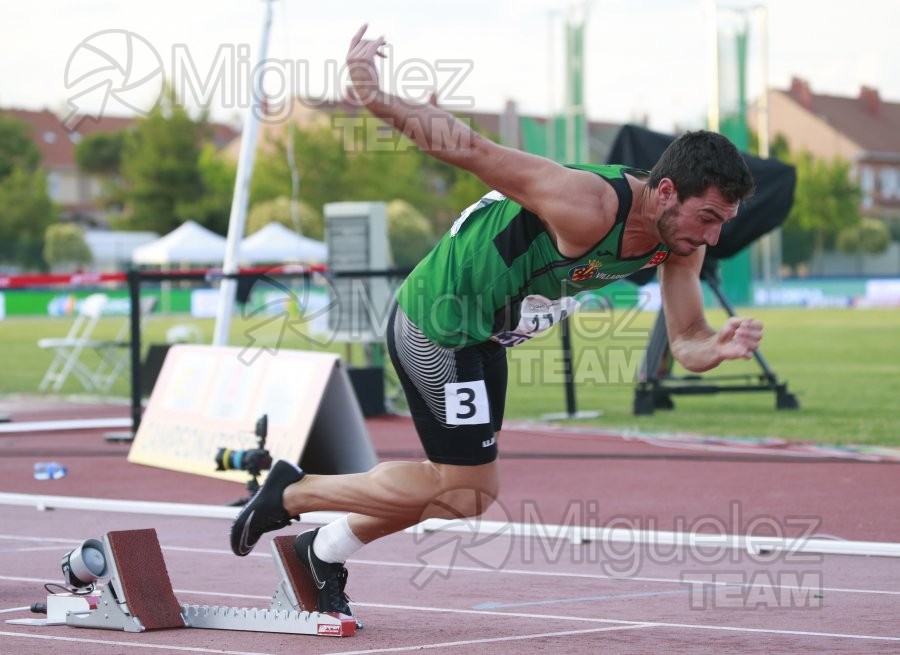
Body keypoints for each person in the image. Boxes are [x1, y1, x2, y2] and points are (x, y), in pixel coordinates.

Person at [229, 24, 762, 616]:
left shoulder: (682, 241)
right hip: (437, 321)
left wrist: (713, 347)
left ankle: (322, 549)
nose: (712, 236)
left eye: (723, 223)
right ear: (665, 191)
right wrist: (374, 95)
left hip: (484, 338)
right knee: (465, 486)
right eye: (708, 217)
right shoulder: (585, 203)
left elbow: (686, 338)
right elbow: (469, 148)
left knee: (463, 495)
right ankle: (293, 493)